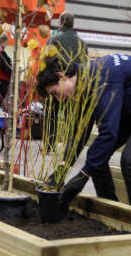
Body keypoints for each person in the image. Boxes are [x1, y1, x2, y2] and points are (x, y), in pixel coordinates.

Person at [36, 54, 131, 210]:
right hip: (130, 108)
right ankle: (110, 211)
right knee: (96, 155)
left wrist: (83, 176)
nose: (59, 100)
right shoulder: (82, 85)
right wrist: (62, 167)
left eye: (54, 93)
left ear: (61, 76)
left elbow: (108, 133)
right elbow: (79, 134)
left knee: (130, 161)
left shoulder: (101, 80)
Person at [44, 11, 88, 153]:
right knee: (71, 116)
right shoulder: (82, 42)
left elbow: (46, 60)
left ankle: (50, 147)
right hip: (74, 84)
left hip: (56, 81)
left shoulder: (54, 38)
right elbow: (86, 64)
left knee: (51, 113)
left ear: (61, 23)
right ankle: (69, 149)